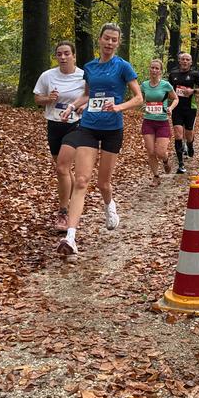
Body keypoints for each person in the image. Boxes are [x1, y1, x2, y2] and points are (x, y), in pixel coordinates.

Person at [56, 24, 142, 261]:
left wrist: (119, 107)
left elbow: (138, 97)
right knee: (82, 180)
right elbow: (88, 94)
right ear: (100, 39)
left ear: (118, 43)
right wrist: (73, 107)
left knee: (104, 183)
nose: (110, 43)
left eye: (114, 40)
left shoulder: (123, 66)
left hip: (113, 129)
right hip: (89, 127)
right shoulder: (91, 67)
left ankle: (109, 205)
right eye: (106, 38)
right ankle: (70, 238)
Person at [33, 41, 84, 232]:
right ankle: (72, 203)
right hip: (54, 124)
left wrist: (83, 106)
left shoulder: (83, 76)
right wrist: (48, 99)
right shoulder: (47, 76)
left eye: (66, 54)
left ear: (74, 56)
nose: (63, 57)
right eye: (59, 54)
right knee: (63, 169)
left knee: (62, 167)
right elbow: (37, 99)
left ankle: (63, 213)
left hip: (76, 125)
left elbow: (91, 97)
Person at [140, 58, 178, 186]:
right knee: (150, 152)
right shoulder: (144, 85)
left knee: (160, 152)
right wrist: (143, 106)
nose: (154, 70)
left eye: (157, 68)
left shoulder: (166, 85)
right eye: (152, 68)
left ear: (161, 71)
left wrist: (170, 108)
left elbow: (176, 99)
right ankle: (156, 176)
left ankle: (166, 160)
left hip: (162, 122)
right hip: (148, 121)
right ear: (149, 69)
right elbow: (141, 100)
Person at [167, 52, 199, 174]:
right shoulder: (173, 74)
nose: (184, 61)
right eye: (182, 59)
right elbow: (168, 89)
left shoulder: (195, 74)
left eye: (187, 59)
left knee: (188, 134)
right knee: (178, 134)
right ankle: (180, 163)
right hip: (177, 107)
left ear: (190, 62)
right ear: (179, 61)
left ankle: (190, 145)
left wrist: (192, 91)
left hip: (190, 108)